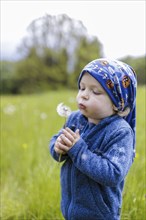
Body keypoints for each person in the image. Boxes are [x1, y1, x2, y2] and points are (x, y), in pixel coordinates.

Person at [49, 58, 137, 220]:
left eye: (95, 92)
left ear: (118, 103)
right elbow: (56, 140)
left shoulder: (120, 132)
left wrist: (78, 150)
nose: (84, 95)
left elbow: (113, 174)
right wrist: (58, 147)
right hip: (71, 207)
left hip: (99, 214)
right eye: (82, 88)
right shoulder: (75, 118)